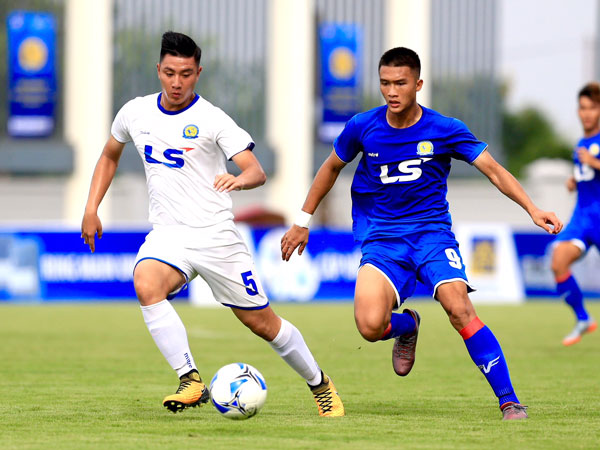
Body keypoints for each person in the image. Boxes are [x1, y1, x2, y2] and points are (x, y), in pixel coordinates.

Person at [281, 47, 563, 421]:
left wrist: (533, 208)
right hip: (382, 241)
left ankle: (509, 401)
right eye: (385, 83)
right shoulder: (362, 126)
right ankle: (408, 325)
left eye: (400, 83)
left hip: (432, 237)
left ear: (418, 84)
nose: (392, 91)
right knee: (368, 326)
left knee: (459, 308)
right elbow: (331, 167)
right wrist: (302, 220)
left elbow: (494, 170)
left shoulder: (445, 129)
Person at [81, 31, 344, 417]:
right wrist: (91, 207)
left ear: (198, 73)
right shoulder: (135, 112)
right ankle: (190, 379)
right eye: (169, 72)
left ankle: (320, 384)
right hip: (168, 234)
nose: (176, 82)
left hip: (216, 237)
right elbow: (109, 155)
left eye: (185, 73)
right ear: (158, 70)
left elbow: (256, 171)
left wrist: (239, 179)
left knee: (263, 324)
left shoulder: (211, 118)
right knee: (145, 282)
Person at [550, 82, 600, 346]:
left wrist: (594, 164)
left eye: (592, 108)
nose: (587, 114)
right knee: (558, 261)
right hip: (583, 218)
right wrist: (575, 179)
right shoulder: (581, 143)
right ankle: (583, 317)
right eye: (583, 108)